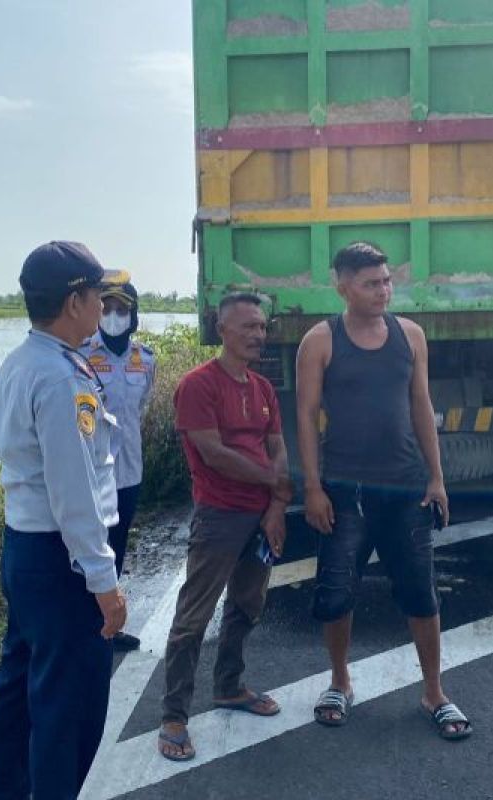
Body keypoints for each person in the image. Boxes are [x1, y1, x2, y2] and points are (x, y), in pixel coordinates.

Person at [295, 240, 471, 741]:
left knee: (421, 592)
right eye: (372, 283)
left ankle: (434, 692)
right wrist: (312, 487)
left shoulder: (410, 335)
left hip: (407, 488)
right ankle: (340, 681)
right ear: (342, 285)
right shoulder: (321, 340)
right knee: (335, 591)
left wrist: (436, 478)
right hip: (344, 490)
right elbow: (306, 416)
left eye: (387, 280)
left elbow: (421, 406)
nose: (384, 291)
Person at [0, 240, 130, 800]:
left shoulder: (22, 363)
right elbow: (74, 494)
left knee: (20, 689)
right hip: (61, 560)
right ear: (74, 301)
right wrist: (104, 583)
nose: (103, 308)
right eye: (98, 296)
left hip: (24, 549)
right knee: (67, 703)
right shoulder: (62, 378)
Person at [157, 292, 290, 762]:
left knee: (247, 605)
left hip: (260, 515)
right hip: (219, 514)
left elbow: (277, 446)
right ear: (222, 331)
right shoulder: (198, 385)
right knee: (193, 618)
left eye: (262, 327)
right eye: (248, 327)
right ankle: (174, 716)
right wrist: (275, 480)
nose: (259, 335)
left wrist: (276, 505)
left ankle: (229, 686)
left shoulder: (262, 388)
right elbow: (213, 453)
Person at [83, 281, 156, 651]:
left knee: (118, 545)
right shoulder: (80, 356)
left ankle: (107, 627)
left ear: (134, 316)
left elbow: (138, 409)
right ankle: (85, 625)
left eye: (122, 310)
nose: (114, 317)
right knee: (87, 550)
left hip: (129, 473)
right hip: (92, 474)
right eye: (107, 308)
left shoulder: (146, 359)